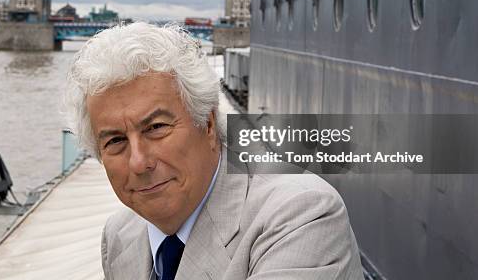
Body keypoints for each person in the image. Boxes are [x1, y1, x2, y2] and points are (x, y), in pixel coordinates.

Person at [66, 22, 363, 280]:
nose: (139, 162)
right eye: (115, 141)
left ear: (207, 124)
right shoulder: (120, 235)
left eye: (156, 128)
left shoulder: (300, 216)